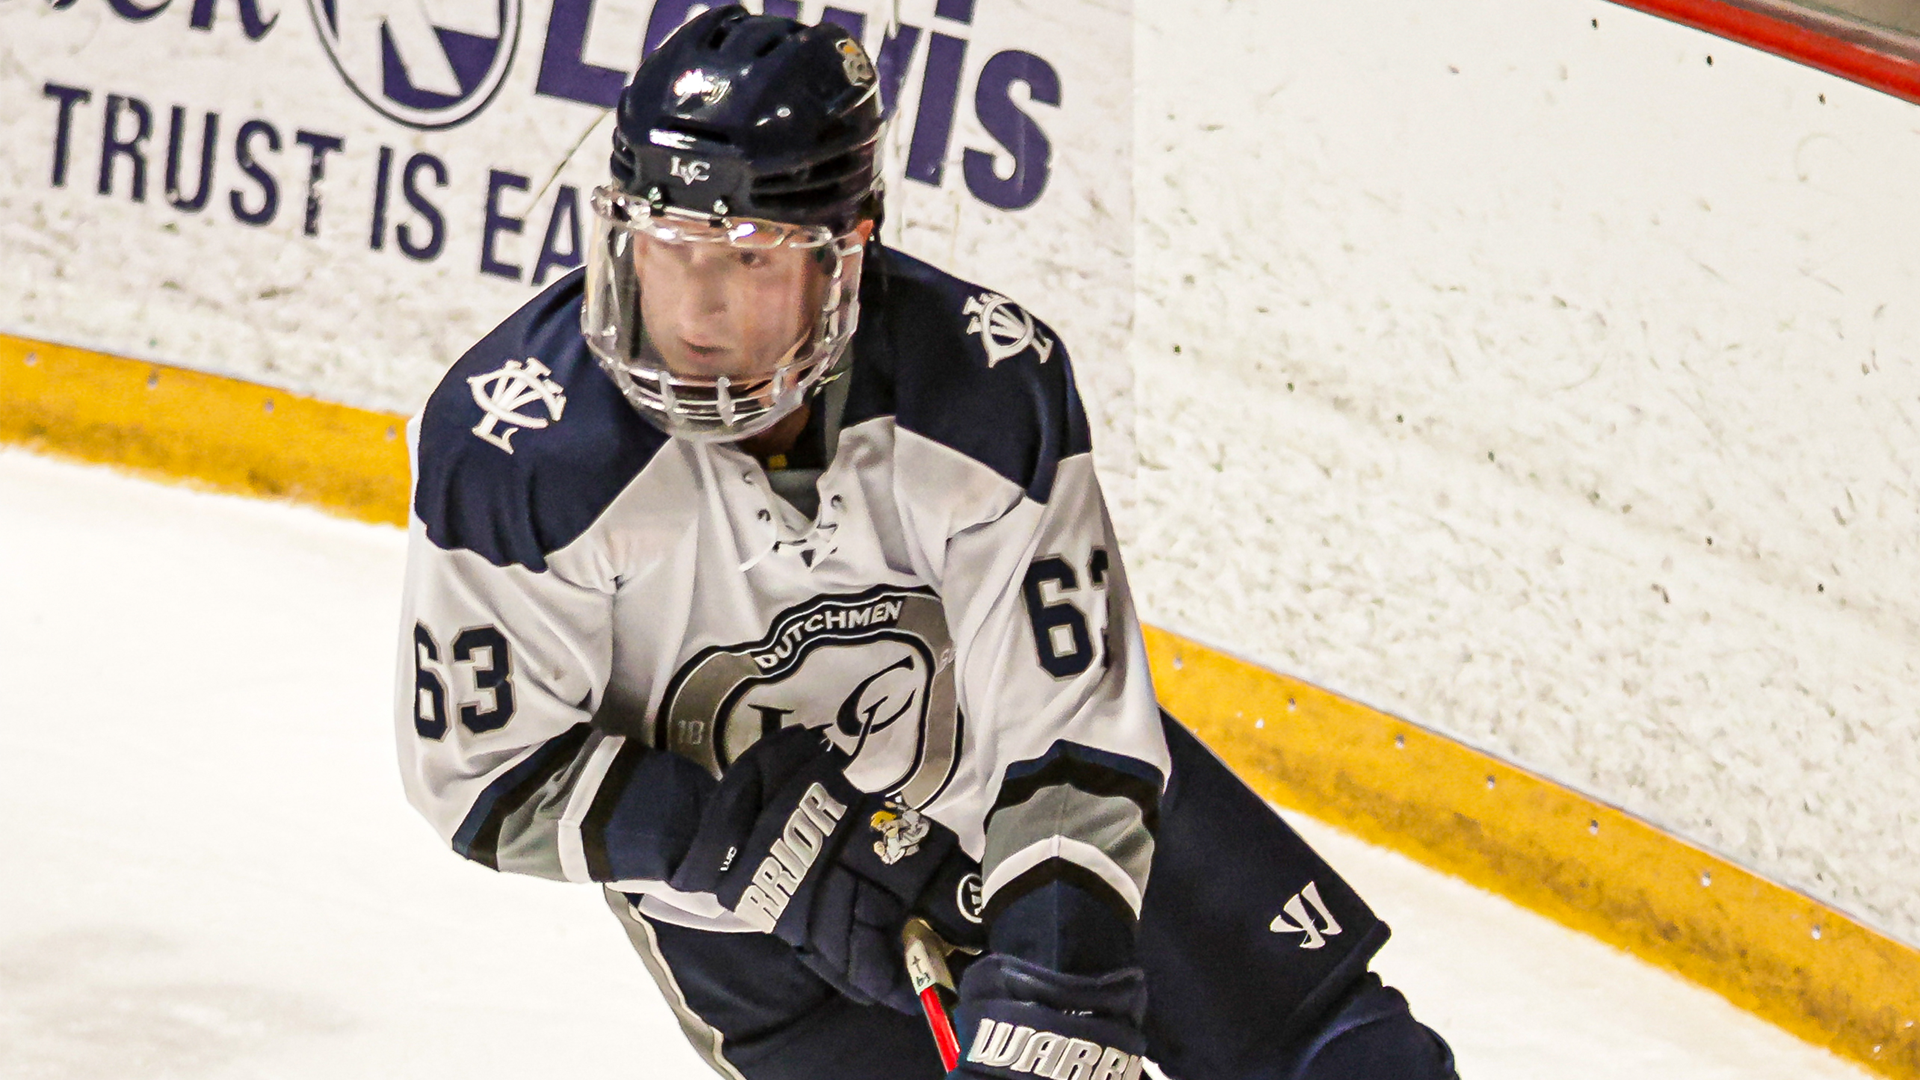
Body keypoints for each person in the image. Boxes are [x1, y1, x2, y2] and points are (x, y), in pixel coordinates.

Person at [395, 8, 1456, 1079]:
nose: (698, 310)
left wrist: (1057, 977)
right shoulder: (519, 454)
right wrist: (739, 847)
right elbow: (482, 775)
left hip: (1022, 794)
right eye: (667, 253)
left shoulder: (986, 391)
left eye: (751, 257)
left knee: (1348, 1058)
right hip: (751, 937)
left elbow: (1070, 721)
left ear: (846, 254)